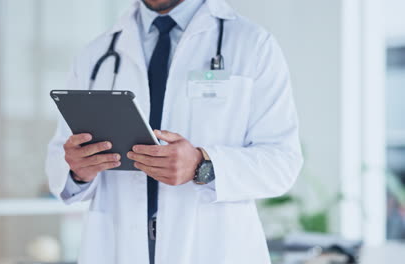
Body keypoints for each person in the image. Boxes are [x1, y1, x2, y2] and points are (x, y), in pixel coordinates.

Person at [46, 0, 303, 263]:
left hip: (212, 249)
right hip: (117, 247)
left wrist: (203, 165)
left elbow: (283, 163)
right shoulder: (96, 54)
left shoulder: (252, 45)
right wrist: (78, 171)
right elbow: (59, 162)